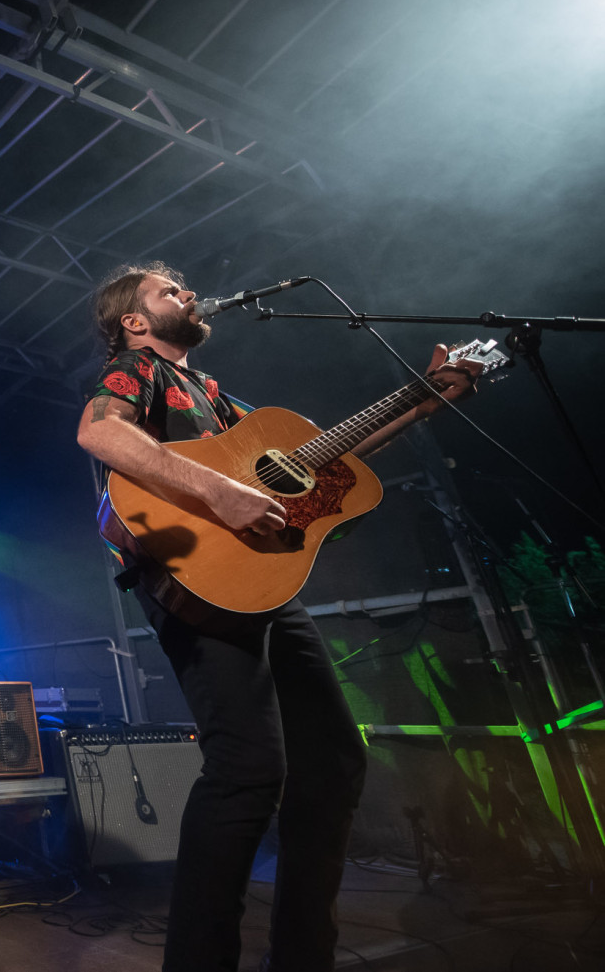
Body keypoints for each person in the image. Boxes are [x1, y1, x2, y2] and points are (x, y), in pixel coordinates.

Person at [74, 262, 478, 972]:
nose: (188, 293)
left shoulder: (218, 399)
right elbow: (103, 437)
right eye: (169, 290)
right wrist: (221, 495)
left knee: (333, 759)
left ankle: (304, 954)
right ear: (135, 320)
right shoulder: (137, 368)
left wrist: (421, 402)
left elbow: (323, 461)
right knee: (247, 766)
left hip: (259, 583)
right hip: (194, 573)